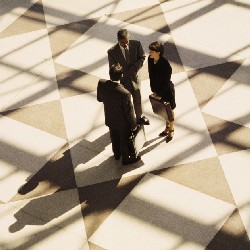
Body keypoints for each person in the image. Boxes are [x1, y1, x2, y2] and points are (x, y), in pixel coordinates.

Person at [97, 63, 141, 165]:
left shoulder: (102, 84)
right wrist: (134, 125)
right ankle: (126, 159)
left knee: (114, 136)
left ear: (109, 74)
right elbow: (129, 112)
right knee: (123, 139)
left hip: (110, 118)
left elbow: (99, 99)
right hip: (122, 123)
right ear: (121, 76)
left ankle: (117, 155)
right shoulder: (125, 93)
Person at [107, 28, 150, 126]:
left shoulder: (136, 44)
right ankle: (129, 120)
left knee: (137, 98)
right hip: (123, 81)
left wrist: (135, 67)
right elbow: (112, 67)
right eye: (123, 43)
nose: (126, 44)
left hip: (135, 78)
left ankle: (140, 117)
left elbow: (142, 57)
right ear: (118, 40)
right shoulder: (112, 52)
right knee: (126, 103)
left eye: (127, 41)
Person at [148, 41, 176, 142]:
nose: (149, 52)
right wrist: (154, 90)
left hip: (166, 90)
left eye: (152, 51)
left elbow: (166, 81)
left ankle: (171, 129)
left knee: (169, 109)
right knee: (164, 110)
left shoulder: (165, 65)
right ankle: (167, 127)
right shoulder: (150, 60)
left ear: (158, 52)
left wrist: (161, 94)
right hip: (157, 89)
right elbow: (151, 75)